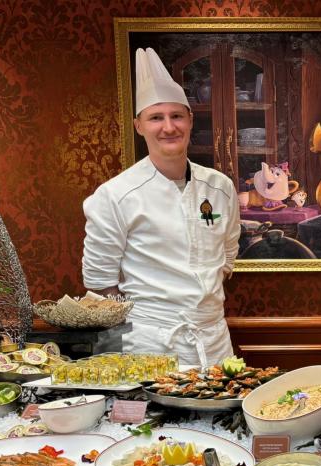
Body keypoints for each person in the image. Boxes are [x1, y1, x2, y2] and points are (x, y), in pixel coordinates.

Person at [82, 48, 240, 368]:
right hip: (150, 345)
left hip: (214, 341)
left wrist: (198, 306)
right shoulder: (115, 195)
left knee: (222, 418)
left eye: (176, 115)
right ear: (139, 125)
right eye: (156, 117)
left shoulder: (220, 187)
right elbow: (100, 282)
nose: (169, 127)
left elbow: (227, 258)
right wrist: (143, 328)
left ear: (190, 120)